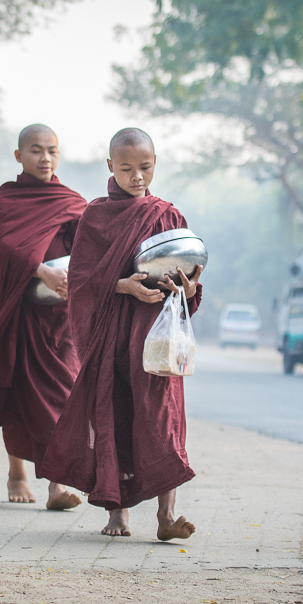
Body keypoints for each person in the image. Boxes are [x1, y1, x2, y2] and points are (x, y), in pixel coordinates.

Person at [41, 127, 203, 540]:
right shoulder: (95, 217)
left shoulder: (167, 214)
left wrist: (188, 288)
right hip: (114, 338)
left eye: (145, 168)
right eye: (127, 168)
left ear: (155, 164)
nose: (137, 177)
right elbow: (81, 279)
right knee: (114, 418)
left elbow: (189, 276)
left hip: (157, 341)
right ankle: (117, 512)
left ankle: (167, 516)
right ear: (110, 166)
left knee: (162, 420)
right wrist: (124, 285)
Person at [0, 124, 86, 509]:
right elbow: (5, 247)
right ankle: (19, 473)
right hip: (22, 311)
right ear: (19, 156)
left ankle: (55, 483)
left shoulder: (71, 201)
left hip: (63, 317)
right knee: (19, 397)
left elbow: (90, 247)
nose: (45, 158)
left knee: (64, 398)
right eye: (36, 150)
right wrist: (43, 271)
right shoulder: (6, 200)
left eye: (52, 150)